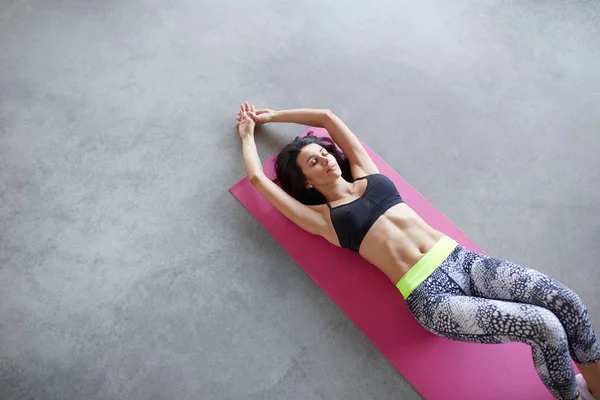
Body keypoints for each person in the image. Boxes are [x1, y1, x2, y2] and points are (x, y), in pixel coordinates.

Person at [235, 102, 600, 400]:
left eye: (322, 153)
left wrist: (270, 116)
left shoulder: (366, 173)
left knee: (564, 301)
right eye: (313, 162)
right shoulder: (323, 218)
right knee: (544, 326)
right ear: (308, 183)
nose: (326, 159)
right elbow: (257, 180)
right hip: (432, 298)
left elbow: (327, 118)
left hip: (466, 263)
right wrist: (248, 133)